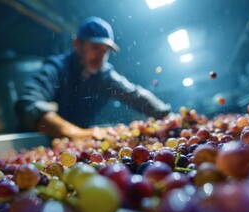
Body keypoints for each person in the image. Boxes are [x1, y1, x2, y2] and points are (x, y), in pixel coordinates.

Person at [15, 16, 171, 140]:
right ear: (77, 44)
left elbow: (136, 95)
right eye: (95, 48)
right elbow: (27, 104)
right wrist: (79, 134)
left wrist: (166, 116)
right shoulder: (57, 68)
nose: (101, 56)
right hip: (47, 144)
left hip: (81, 145)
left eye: (106, 51)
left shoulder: (105, 76)